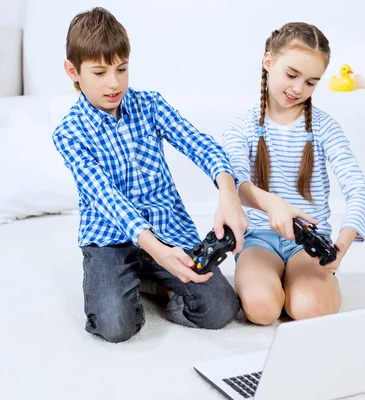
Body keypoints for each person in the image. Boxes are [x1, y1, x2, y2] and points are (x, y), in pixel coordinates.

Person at [53, 7, 248, 343]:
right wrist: (155, 250)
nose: (114, 83)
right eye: (99, 72)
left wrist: (228, 193)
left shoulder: (151, 106)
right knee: (116, 326)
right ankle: (136, 282)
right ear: (73, 71)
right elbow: (106, 198)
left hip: (168, 228)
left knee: (219, 309)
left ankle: (151, 282)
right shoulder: (68, 133)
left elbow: (200, 145)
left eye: (122, 69)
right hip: (110, 238)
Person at [222, 22, 365, 326]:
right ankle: (274, 282)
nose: (297, 89)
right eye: (291, 75)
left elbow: (357, 189)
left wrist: (344, 240)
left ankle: (306, 284)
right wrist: (272, 204)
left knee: (307, 309)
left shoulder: (325, 127)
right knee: (262, 310)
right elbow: (236, 185)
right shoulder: (240, 127)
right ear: (268, 62)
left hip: (308, 241)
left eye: (310, 82)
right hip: (257, 240)